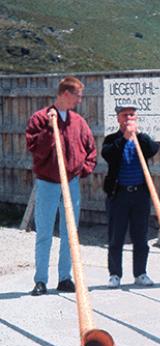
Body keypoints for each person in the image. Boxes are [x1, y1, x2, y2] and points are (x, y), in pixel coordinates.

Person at [26, 76, 97, 296]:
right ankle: (40, 280)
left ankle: (65, 278)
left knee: (70, 233)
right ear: (65, 94)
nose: (79, 100)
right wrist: (49, 128)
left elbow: (90, 149)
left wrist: (82, 169)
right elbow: (34, 149)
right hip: (47, 183)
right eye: (77, 96)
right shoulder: (40, 118)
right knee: (44, 232)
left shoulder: (78, 121)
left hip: (71, 183)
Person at [102, 103, 159, 288]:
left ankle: (140, 273)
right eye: (125, 115)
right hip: (118, 194)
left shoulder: (141, 139)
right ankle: (115, 274)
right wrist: (124, 138)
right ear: (118, 119)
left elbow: (153, 149)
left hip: (140, 194)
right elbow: (108, 155)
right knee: (116, 237)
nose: (128, 118)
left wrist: (138, 135)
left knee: (141, 237)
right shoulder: (111, 139)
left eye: (132, 115)